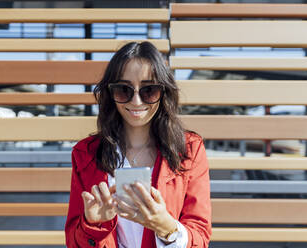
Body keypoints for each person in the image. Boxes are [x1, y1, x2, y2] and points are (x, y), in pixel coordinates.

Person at [65, 41, 212, 248]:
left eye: (148, 90)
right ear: (110, 93)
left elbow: (200, 237)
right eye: (124, 90)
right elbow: (73, 242)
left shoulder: (189, 149)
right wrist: (92, 225)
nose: (136, 101)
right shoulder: (86, 153)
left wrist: (167, 227)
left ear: (163, 93)